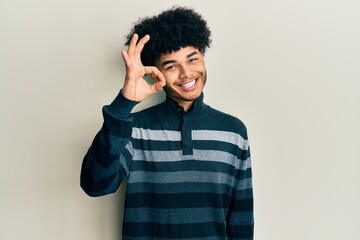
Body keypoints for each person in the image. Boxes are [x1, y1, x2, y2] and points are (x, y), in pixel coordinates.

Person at [80, 6, 254, 239]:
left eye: (192, 59)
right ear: (155, 73)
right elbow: (95, 184)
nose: (186, 73)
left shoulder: (233, 131)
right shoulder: (133, 128)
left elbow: (241, 218)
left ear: (203, 57)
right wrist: (124, 103)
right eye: (171, 66)